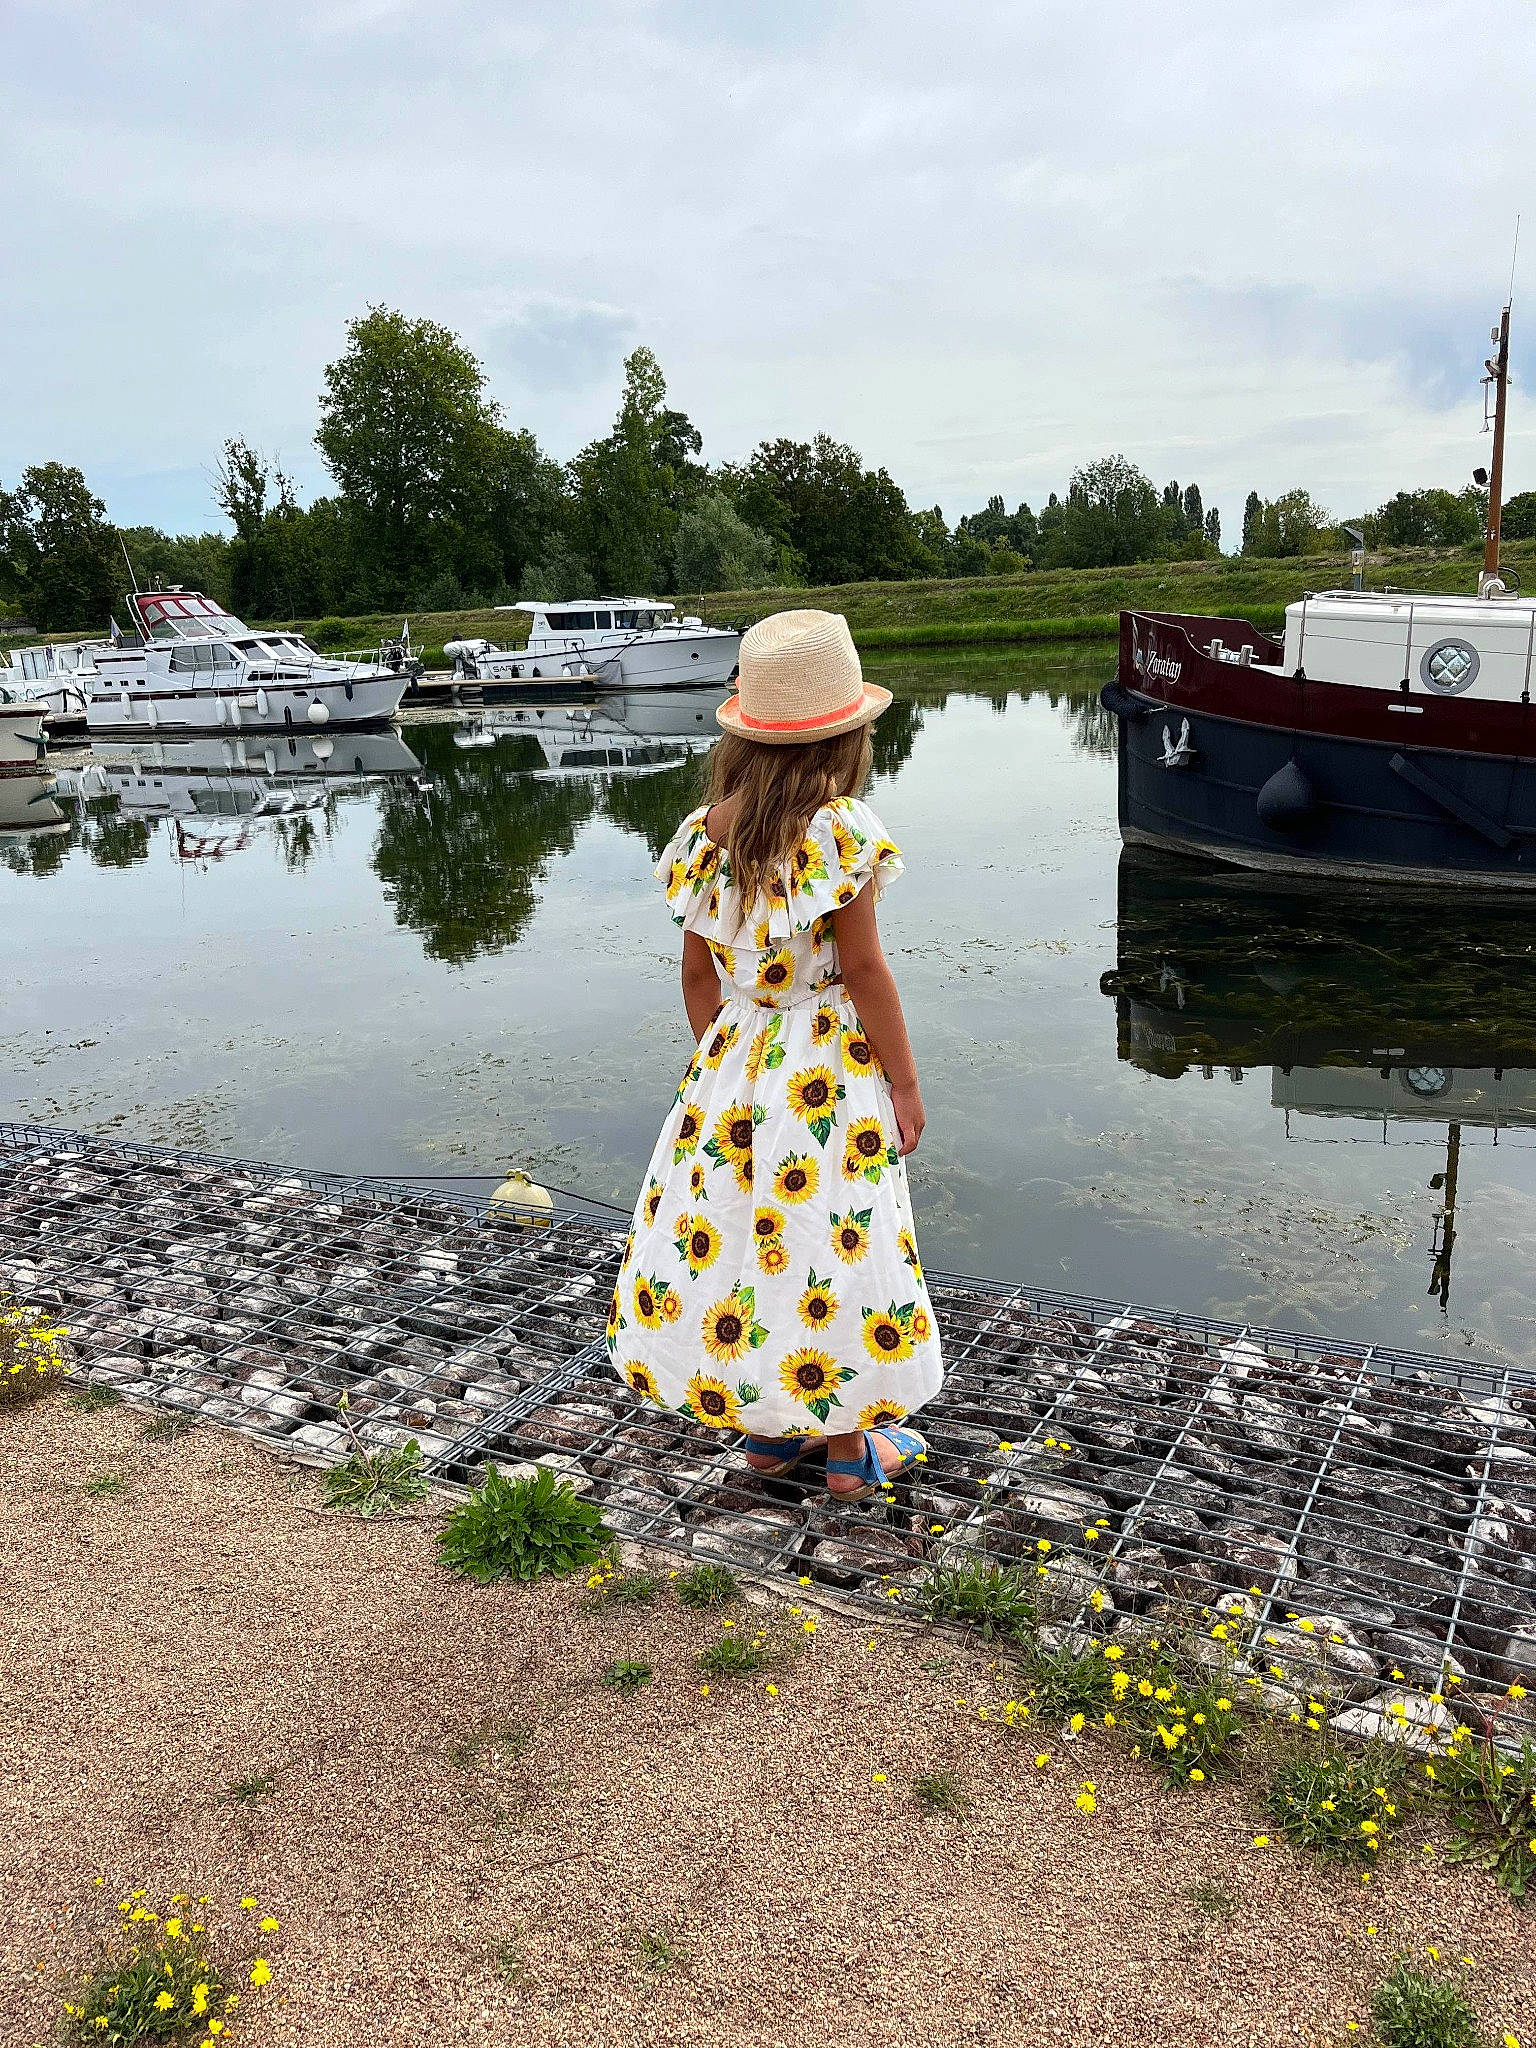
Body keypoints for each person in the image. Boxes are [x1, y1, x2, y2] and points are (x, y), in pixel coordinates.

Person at [606, 608, 943, 1499]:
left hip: (735, 1057)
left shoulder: (700, 835)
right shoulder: (839, 832)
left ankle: (763, 1438)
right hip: (827, 1066)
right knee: (833, 1242)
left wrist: (728, 1064)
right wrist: (903, 1085)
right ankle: (845, 1454)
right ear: (847, 737)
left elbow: (693, 977)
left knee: (742, 1237)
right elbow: (865, 971)